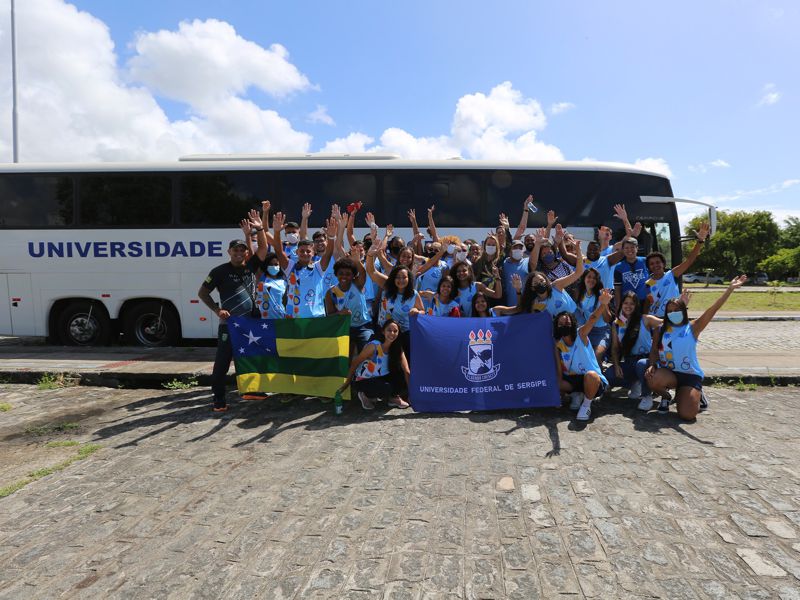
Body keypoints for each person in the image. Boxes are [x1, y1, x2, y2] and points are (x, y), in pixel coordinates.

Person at [645, 275, 747, 420]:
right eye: (670, 311)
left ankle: (695, 393)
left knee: (687, 415)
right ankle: (667, 397)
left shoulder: (693, 327)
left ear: (683, 311)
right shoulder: (660, 329)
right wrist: (652, 365)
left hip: (690, 375)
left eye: (677, 310)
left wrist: (729, 289)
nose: (673, 313)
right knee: (651, 378)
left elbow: (713, 309)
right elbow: (654, 350)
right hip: (670, 373)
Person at [198, 238, 263, 412]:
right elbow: (203, 293)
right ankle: (218, 399)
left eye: (242, 250)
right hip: (229, 324)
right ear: (229, 252)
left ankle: (252, 390)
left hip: (250, 323)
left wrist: (259, 227)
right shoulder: (219, 271)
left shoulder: (250, 267)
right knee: (223, 362)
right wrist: (217, 310)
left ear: (247, 253)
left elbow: (263, 247)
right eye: (235, 251)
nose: (239, 253)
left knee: (250, 358)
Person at [554, 289, 613, 421]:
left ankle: (586, 405)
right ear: (556, 326)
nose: (564, 325)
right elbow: (558, 370)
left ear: (573, 324)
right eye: (561, 324)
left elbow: (592, 319)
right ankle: (577, 394)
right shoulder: (557, 344)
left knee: (591, 376)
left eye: (567, 323)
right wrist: (559, 393)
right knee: (554, 381)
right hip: (573, 379)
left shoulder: (581, 334)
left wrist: (603, 304)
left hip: (593, 380)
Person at [604, 291, 663, 411]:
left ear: (636, 305)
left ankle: (647, 395)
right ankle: (636, 383)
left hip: (647, 361)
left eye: (632, 303)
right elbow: (615, 348)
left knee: (641, 365)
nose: (628, 306)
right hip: (629, 361)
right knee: (609, 375)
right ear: (621, 305)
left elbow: (667, 324)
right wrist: (616, 366)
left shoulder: (645, 319)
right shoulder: (616, 324)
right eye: (626, 303)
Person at [365, 240, 425, 358]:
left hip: (404, 334)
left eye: (404, 277)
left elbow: (422, 310)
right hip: (382, 331)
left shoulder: (414, 294)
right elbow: (371, 271)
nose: (401, 280)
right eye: (397, 277)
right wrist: (370, 255)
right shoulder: (387, 285)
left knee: (403, 365)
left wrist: (417, 311)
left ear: (409, 279)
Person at [272, 212, 335, 319]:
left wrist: (331, 237)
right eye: (302, 251)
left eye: (308, 251)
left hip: (316, 318)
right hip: (294, 319)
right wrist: (277, 232)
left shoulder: (318, 268)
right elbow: (278, 251)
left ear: (313, 252)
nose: (305, 253)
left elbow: (328, 253)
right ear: (296, 252)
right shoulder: (290, 267)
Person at [338, 319, 410, 410]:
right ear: (383, 332)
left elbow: (406, 370)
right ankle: (364, 394)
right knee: (386, 388)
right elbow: (355, 362)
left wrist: (412, 395)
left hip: (381, 376)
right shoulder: (374, 346)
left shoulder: (397, 347)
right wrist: (347, 382)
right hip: (365, 379)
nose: (392, 333)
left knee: (401, 374)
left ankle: (393, 398)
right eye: (389, 330)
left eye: (395, 331)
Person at [644, 222, 709, 316]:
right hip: (655, 321)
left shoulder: (671, 274)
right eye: (652, 264)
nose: (655, 265)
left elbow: (689, 261)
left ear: (663, 264)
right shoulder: (647, 283)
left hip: (673, 317)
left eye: (658, 262)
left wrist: (700, 241)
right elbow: (647, 305)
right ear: (649, 267)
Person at [324, 251, 373, 353]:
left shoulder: (357, 284)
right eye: (341, 273)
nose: (344, 277)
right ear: (336, 274)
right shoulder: (331, 293)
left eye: (348, 274)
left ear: (353, 276)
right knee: (345, 359)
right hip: (344, 328)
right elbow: (330, 316)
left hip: (363, 326)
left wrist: (357, 261)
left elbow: (363, 273)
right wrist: (340, 313)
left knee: (366, 355)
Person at [575, 268, 612, 363]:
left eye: (594, 278)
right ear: (584, 279)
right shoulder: (580, 293)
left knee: (596, 356)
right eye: (589, 277)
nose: (591, 280)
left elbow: (607, 319)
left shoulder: (601, 294)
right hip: (587, 331)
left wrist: (603, 303)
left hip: (602, 332)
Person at [613, 237, 649, 309]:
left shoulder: (645, 261)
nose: (629, 250)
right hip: (628, 305)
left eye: (632, 247)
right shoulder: (618, 267)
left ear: (637, 248)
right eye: (626, 248)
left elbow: (654, 278)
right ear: (623, 250)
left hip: (646, 302)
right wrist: (618, 307)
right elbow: (617, 289)